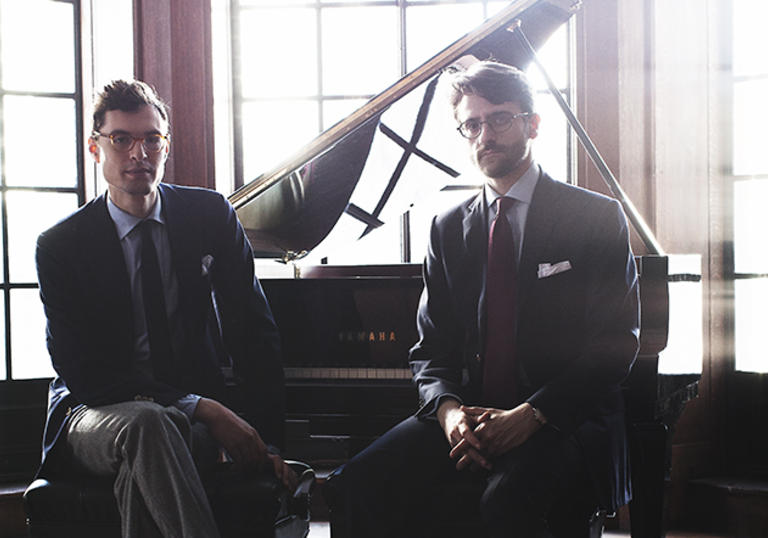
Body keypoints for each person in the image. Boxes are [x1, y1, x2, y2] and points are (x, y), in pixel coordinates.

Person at [329, 61, 640, 537]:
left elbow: (616, 342)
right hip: (469, 420)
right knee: (356, 483)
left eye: (499, 119)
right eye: (472, 124)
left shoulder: (596, 217)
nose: (484, 136)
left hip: (564, 419)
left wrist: (532, 415)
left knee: (507, 502)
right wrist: (450, 413)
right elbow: (430, 350)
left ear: (533, 124)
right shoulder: (447, 227)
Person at [35, 79, 295, 538]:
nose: (139, 153)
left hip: (179, 424)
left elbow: (255, 332)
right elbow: (83, 372)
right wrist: (203, 409)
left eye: (152, 139)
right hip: (92, 415)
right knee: (150, 425)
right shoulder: (61, 246)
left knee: (153, 454)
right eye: (121, 139)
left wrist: (265, 440)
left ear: (166, 146)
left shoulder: (209, 215)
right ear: (95, 150)